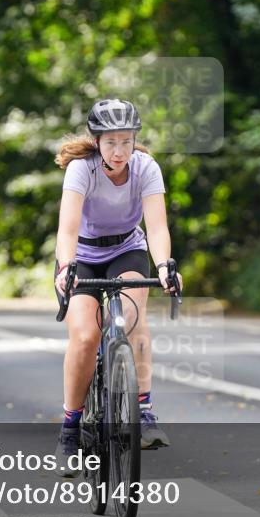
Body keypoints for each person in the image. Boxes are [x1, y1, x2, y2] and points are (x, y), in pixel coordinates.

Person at [52, 98, 183, 474]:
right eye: (111, 142)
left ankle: (143, 410)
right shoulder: (81, 169)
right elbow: (67, 230)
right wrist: (66, 267)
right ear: (96, 141)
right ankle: (70, 430)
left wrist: (164, 266)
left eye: (127, 141)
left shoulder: (146, 168)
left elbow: (156, 227)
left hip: (127, 250)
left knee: (131, 317)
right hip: (82, 255)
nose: (119, 150)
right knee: (85, 336)